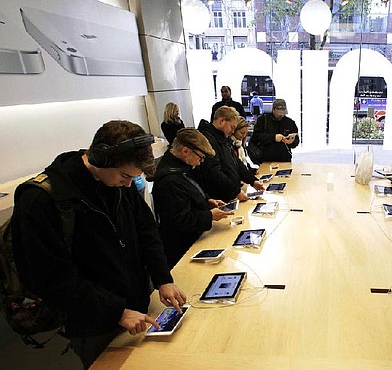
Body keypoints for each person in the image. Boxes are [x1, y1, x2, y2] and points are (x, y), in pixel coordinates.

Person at [11, 120, 187, 368]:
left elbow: (146, 231)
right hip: (93, 323)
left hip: (137, 307)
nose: (129, 184)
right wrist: (117, 312)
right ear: (100, 158)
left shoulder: (117, 183)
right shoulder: (42, 199)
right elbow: (52, 278)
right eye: (126, 176)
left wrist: (163, 279)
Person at [152, 128, 234, 268]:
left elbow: (191, 190)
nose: (201, 161)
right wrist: (209, 216)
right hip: (181, 249)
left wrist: (207, 200)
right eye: (200, 157)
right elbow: (179, 220)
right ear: (185, 151)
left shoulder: (182, 167)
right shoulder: (169, 181)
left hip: (193, 238)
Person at [197, 106, 264, 202]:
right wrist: (235, 192)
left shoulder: (223, 138)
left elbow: (236, 162)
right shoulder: (208, 140)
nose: (233, 131)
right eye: (232, 127)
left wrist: (252, 181)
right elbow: (214, 173)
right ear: (221, 121)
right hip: (220, 198)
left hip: (230, 194)